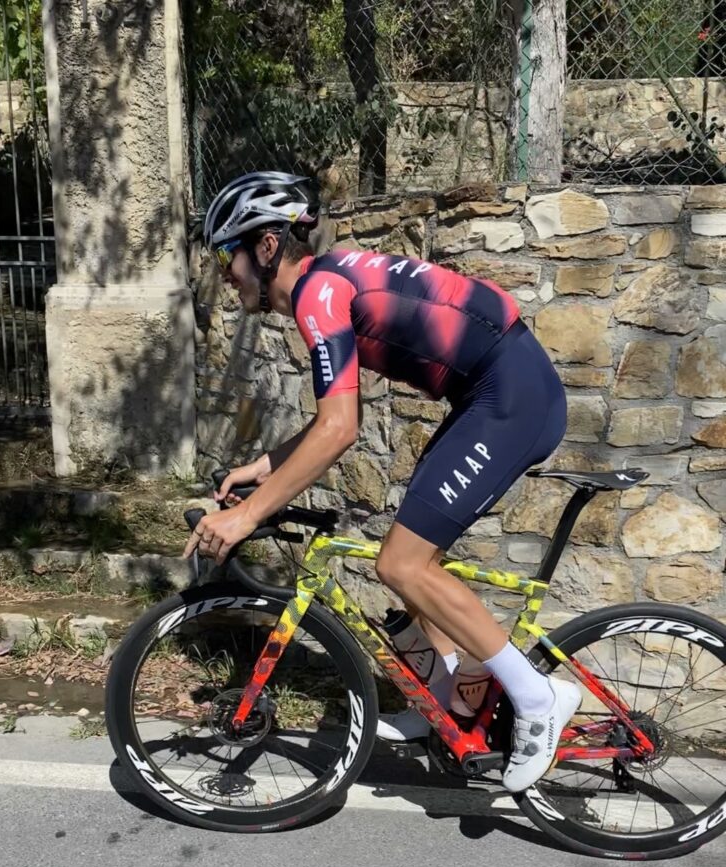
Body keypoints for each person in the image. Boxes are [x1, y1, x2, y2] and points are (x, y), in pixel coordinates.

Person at [184, 170, 580, 793]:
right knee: (411, 557)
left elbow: (339, 429)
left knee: (401, 564)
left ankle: (537, 699)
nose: (225, 275)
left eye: (227, 255)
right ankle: (451, 700)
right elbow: (332, 420)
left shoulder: (317, 296)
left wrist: (246, 516)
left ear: (264, 248)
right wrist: (264, 468)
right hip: (491, 391)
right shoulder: (326, 282)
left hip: (510, 397)